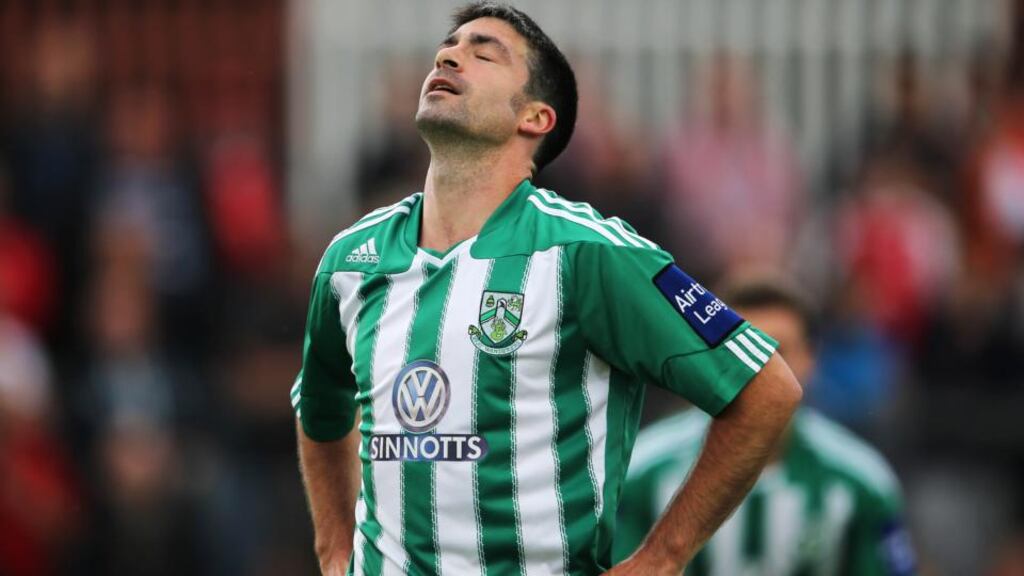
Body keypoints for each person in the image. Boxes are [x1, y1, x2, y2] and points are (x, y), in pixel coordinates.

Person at [291, 3, 802, 575]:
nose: (449, 55)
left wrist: (663, 556)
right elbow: (320, 406)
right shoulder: (351, 259)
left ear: (535, 117)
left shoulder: (590, 254)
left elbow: (765, 389)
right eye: (450, 47)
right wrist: (334, 548)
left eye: (483, 53)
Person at [615, 276, 917, 575]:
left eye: (776, 353)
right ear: (706, 358)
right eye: (738, 351)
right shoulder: (642, 473)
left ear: (810, 359)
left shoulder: (862, 482)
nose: (757, 370)